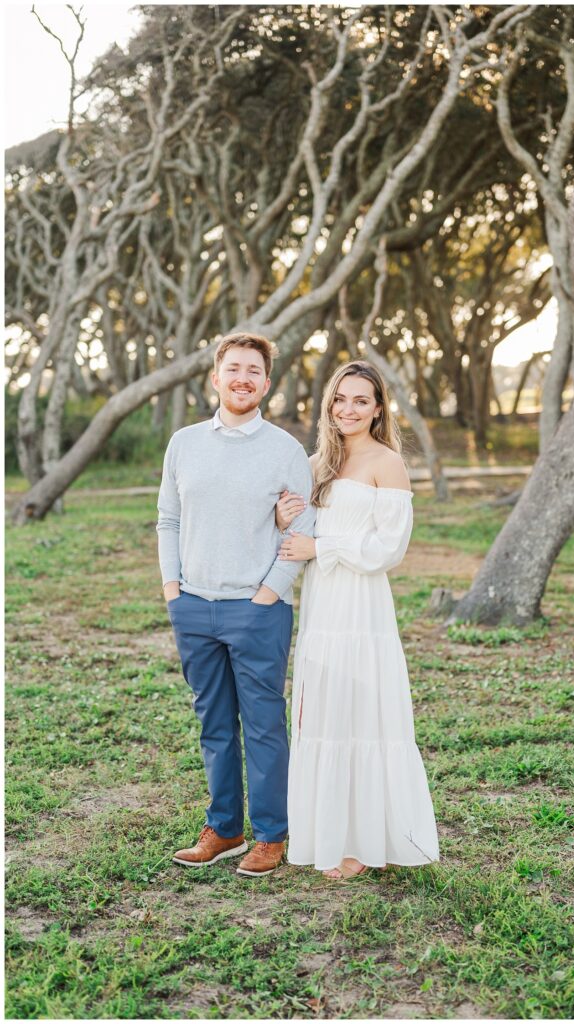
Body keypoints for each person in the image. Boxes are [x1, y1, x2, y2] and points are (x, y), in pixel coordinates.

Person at [156, 332, 316, 877]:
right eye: (234, 368)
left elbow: (304, 527)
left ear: (266, 384)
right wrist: (172, 589)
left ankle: (271, 834)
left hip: (257, 609)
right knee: (215, 722)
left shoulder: (285, 450)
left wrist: (269, 591)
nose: (243, 378)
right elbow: (168, 519)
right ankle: (224, 828)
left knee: (264, 724)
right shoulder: (184, 443)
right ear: (216, 377)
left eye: (254, 371)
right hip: (194, 606)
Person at [275, 360, 439, 880]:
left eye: (360, 401)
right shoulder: (317, 461)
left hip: (360, 602)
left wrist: (322, 545)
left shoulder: (386, 462)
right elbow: (296, 526)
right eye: (340, 399)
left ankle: (365, 842)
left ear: (377, 409)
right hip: (322, 602)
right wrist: (286, 520)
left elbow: (390, 548)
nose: (347, 409)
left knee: (361, 712)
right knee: (323, 709)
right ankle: (329, 832)